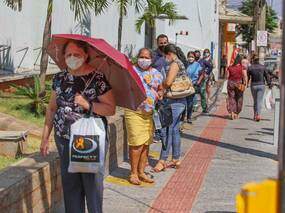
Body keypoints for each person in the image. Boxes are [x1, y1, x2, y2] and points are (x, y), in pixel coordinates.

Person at [40, 40, 116, 213]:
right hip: (64, 139)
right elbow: (52, 108)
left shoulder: (97, 78)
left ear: (86, 55)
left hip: (89, 140)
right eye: (68, 55)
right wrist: (45, 138)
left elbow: (110, 109)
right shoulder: (59, 78)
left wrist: (87, 104)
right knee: (70, 185)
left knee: (92, 185)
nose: (72, 58)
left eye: (77, 54)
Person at [124, 48, 163, 185]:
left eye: (147, 57)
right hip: (134, 110)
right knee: (136, 143)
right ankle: (133, 173)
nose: (144, 60)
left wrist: (160, 93)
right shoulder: (131, 71)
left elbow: (160, 88)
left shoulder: (157, 73)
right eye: (141, 57)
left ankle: (141, 172)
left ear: (151, 60)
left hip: (149, 113)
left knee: (146, 144)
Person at [154, 44, 187, 172]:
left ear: (168, 54)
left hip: (174, 102)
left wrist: (161, 87)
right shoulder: (180, 63)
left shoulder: (174, 64)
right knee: (174, 130)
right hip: (180, 101)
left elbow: (168, 82)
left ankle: (162, 160)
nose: (164, 58)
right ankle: (176, 159)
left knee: (167, 130)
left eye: (164, 55)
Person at [247, 55, 271, 121]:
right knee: (259, 101)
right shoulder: (263, 67)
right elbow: (267, 76)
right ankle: (258, 115)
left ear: (253, 60)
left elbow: (248, 77)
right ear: (258, 60)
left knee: (255, 101)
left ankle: (255, 115)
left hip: (253, 85)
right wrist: (269, 84)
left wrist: (246, 84)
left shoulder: (250, 67)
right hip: (261, 85)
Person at [226, 54, 248, 120]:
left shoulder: (230, 67)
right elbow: (245, 76)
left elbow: (226, 76)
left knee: (231, 98)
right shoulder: (242, 67)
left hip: (231, 83)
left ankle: (232, 112)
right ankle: (237, 113)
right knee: (239, 98)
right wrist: (246, 84)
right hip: (239, 84)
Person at [185, 51, 202, 123]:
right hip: (184, 85)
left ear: (194, 58)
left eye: (192, 57)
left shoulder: (197, 65)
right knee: (183, 102)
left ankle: (189, 117)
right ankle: (182, 117)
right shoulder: (185, 64)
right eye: (189, 57)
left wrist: (198, 82)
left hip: (193, 85)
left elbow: (201, 74)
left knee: (190, 102)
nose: (190, 58)